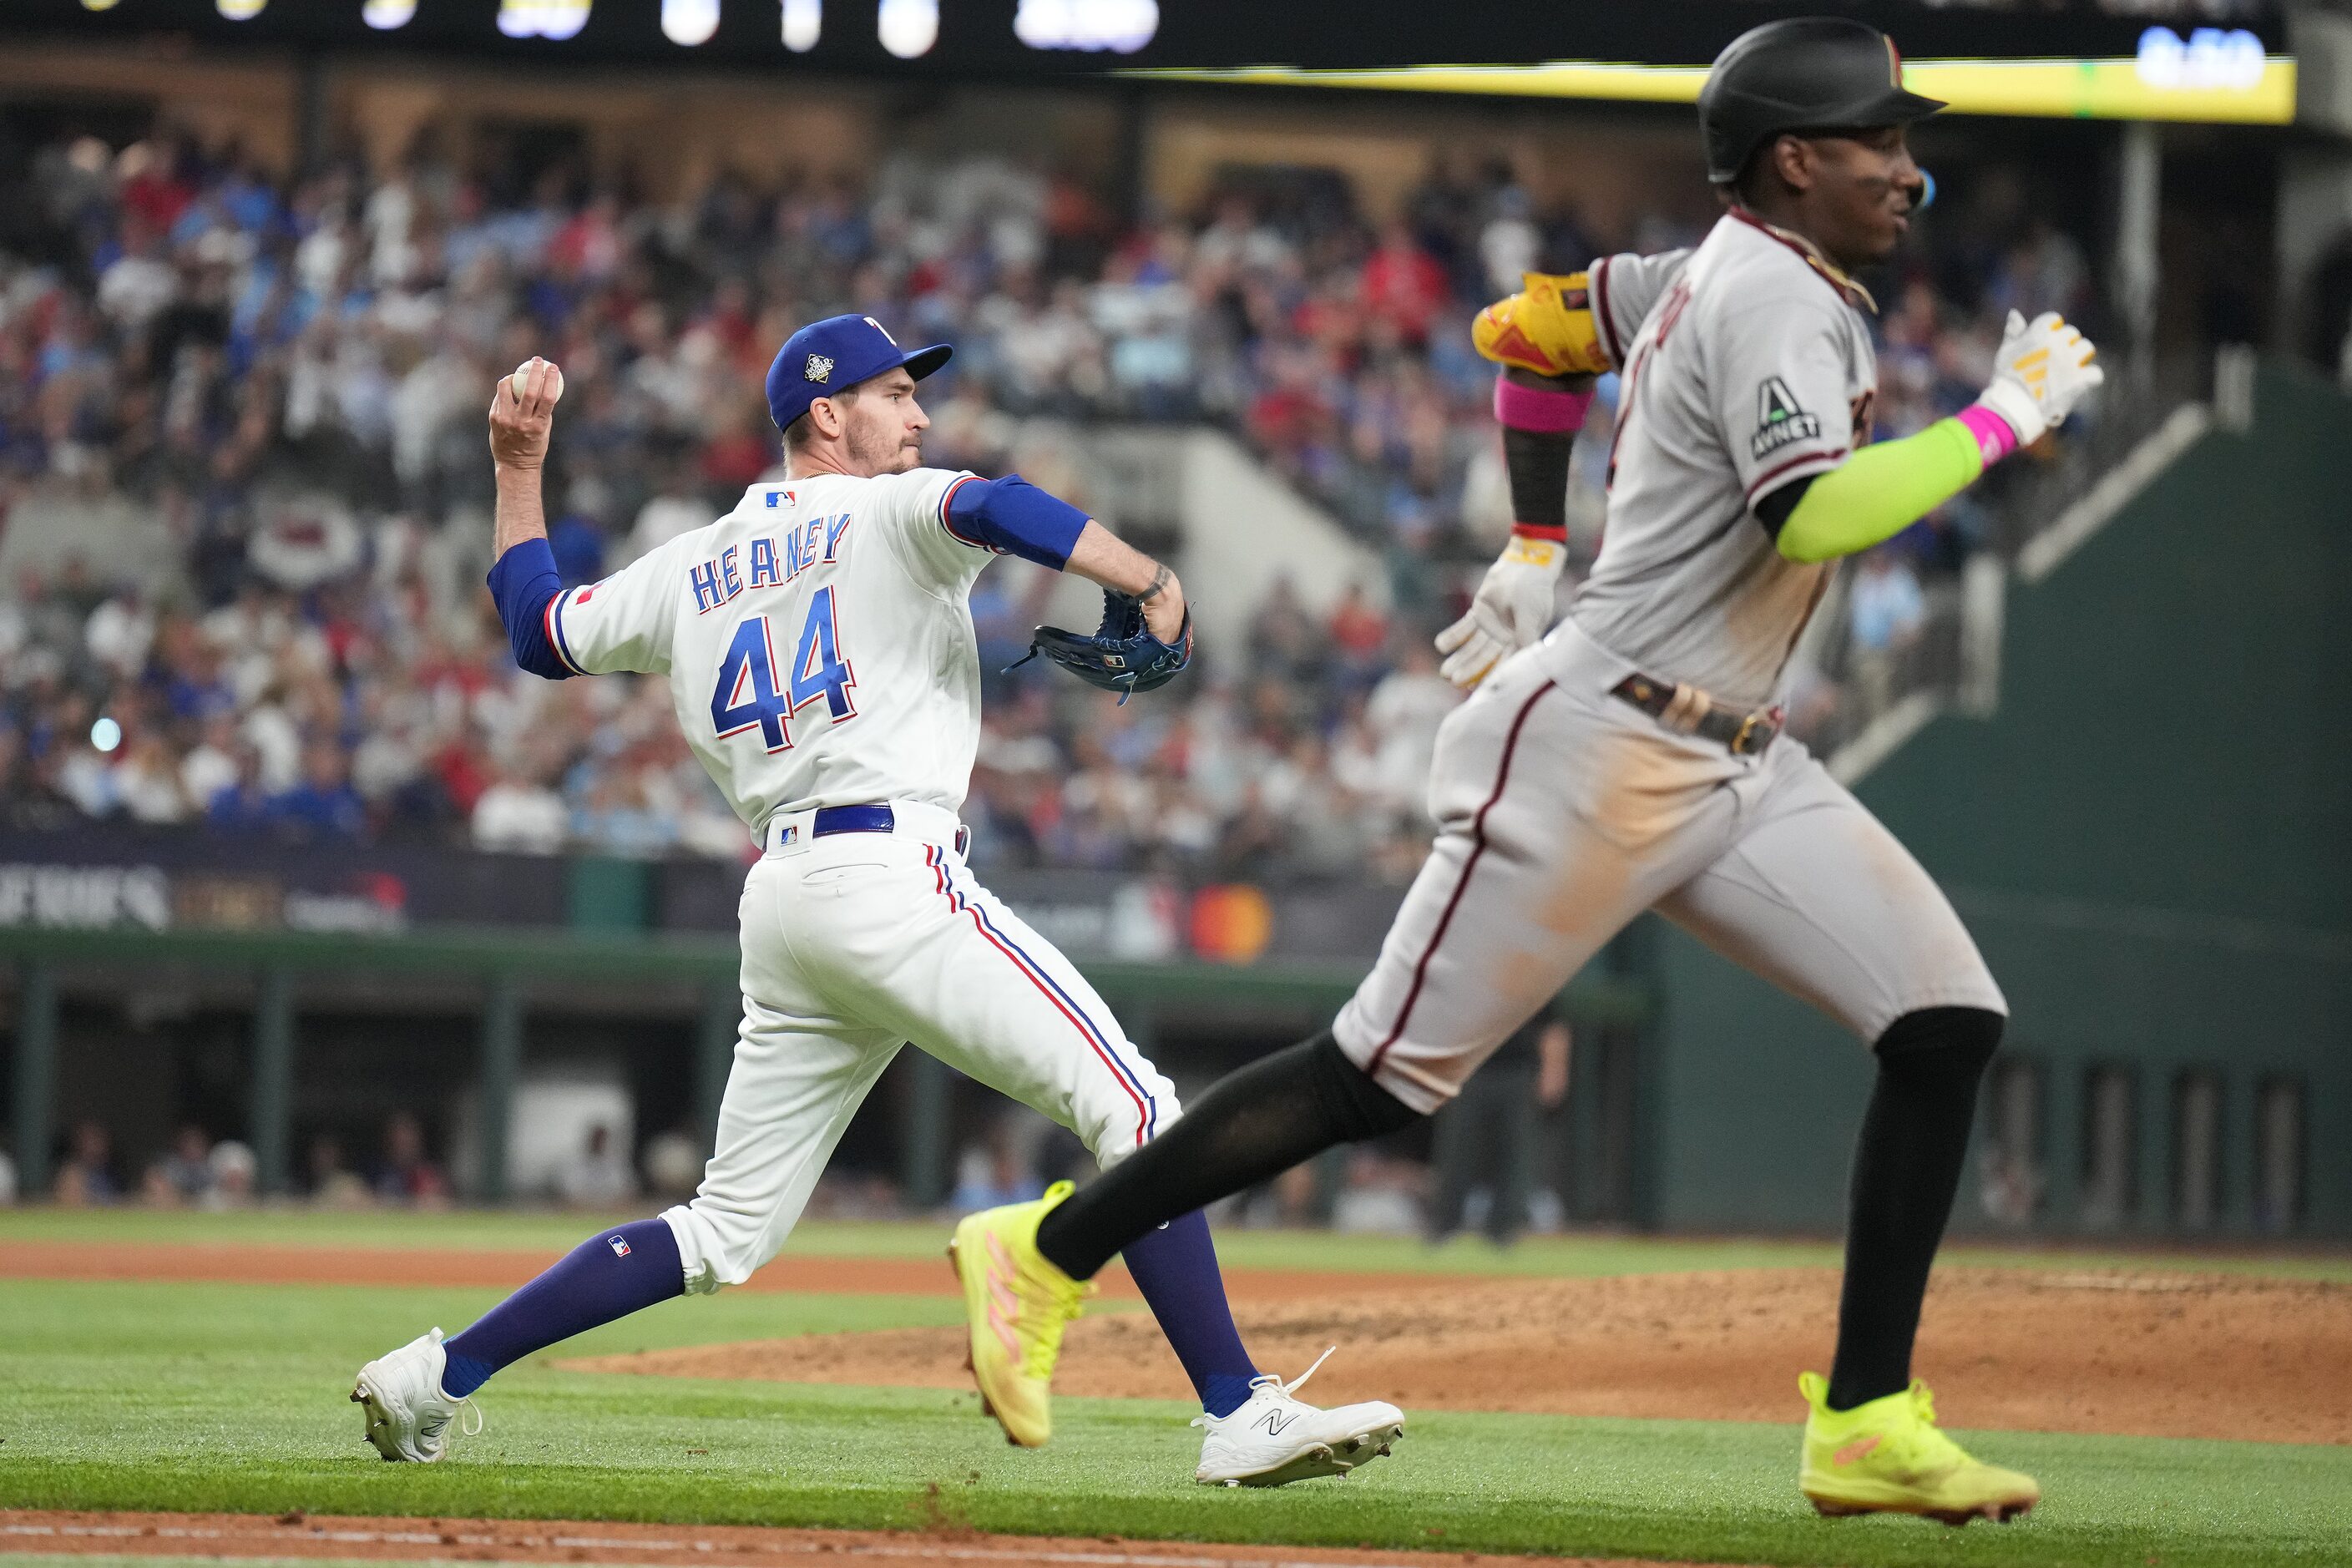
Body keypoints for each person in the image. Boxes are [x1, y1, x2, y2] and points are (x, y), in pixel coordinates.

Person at [953, 18, 2102, 1529]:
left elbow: (1528, 333)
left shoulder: (1715, 270)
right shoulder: (1767, 292)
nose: (1910, 170)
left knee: (1943, 1020)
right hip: (1597, 741)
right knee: (1377, 1079)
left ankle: (1868, 1418)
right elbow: (1814, 518)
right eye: (1880, 141)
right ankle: (1046, 1250)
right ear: (1793, 158)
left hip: (1735, 756)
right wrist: (2003, 416)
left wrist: (1535, 536)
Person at [351, 319, 1402, 1487]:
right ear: (825, 415)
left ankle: (435, 1374)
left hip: (787, 901)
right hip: (889, 873)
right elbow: (995, 506)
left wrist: (513, 467)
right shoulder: (889, 512)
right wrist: (1147, 577)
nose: (917, 417)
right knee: (1143, 1113)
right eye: (894, 395)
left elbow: (538, 630)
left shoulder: (691, 563)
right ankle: (1234, 1410)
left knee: (723, 1230)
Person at [1425, 1015, 1570, 1245]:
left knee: (1514, 1155)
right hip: (1469, 1071)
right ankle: (1444, 1228)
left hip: (1518, 1071)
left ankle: (1502, 1233)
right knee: (1458, 1152)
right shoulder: (1462, 979)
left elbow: (1552, 1024)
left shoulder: (1532, 978)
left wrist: (1554, 1070)